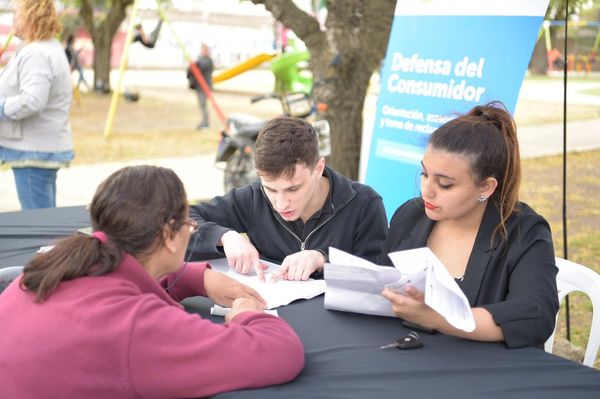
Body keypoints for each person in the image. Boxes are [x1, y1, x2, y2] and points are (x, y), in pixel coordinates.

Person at [0, 165, 304, 398]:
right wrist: (246, 315)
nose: (191, 229)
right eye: (188, 222)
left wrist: (197, 278)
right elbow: (280, 353)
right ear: (168, 237)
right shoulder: (135, 325)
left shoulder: (53, 267)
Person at [379, 102, 559, 349]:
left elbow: (535, 315)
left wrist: (437, 318)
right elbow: (383, 283)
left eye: (445, 184)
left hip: (489, 373)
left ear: (486, 187)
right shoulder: (411, 215)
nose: (426, 191)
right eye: (424, 174)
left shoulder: (523, 231)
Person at [189, 116, 388, 281]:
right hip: (270, 316)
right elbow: (180, 220)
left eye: (293, 189)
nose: (281, 203)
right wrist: (223, 236)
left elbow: (381, 278)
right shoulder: (253, 198)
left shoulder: (365, 204)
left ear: (318, 169)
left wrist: (323, 261)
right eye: (271, 189)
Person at [0, 0, 74, 210]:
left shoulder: (37, 53)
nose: (12, 17)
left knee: (38, 219)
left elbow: (32, 100)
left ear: (31, 16)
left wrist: (1, 107)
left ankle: (49, 245)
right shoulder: (42, 48)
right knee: (44, 216)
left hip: (33, 152)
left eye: (15, 13)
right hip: (36, 149)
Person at [187, 43, 214, 129]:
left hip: (204, 87)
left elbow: (202, 66)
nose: (203, 52)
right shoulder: (201, 60)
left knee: (203, 105)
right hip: (199, 87)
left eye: (205, 50)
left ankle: (205, 122)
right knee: (202, 105)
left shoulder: (208, 61)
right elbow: (191, 70)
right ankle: (204, 121)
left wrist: (194, 63)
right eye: (202, 50)